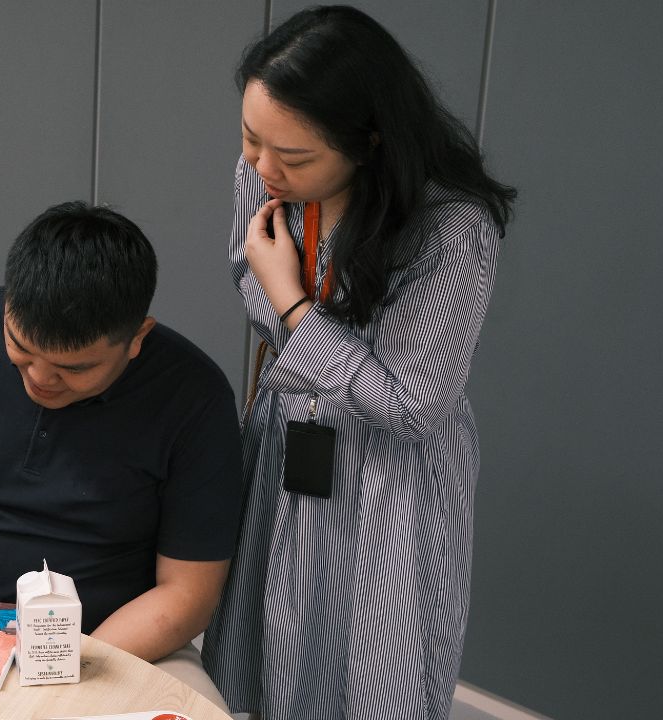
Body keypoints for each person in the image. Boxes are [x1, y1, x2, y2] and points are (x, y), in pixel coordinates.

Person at [200, 6, 517, 720]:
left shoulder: (450, 230)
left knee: (375, 664)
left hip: (389, 479)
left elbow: (411, 406)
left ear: (369, 142)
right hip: (287, 439)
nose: (263, 169)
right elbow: (243, 266)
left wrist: (294, 311)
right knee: (271, 637)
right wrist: (282, 303)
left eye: (296, 158)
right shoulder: (265, 168)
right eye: (251, 140)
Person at [0, 201, 244, 705]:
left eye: (74, 368)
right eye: (21, 350)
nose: (40, 379)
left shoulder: (193, 396)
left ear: (136, 338)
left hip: (115, 646)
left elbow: (187, 594)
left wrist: (62, 663)